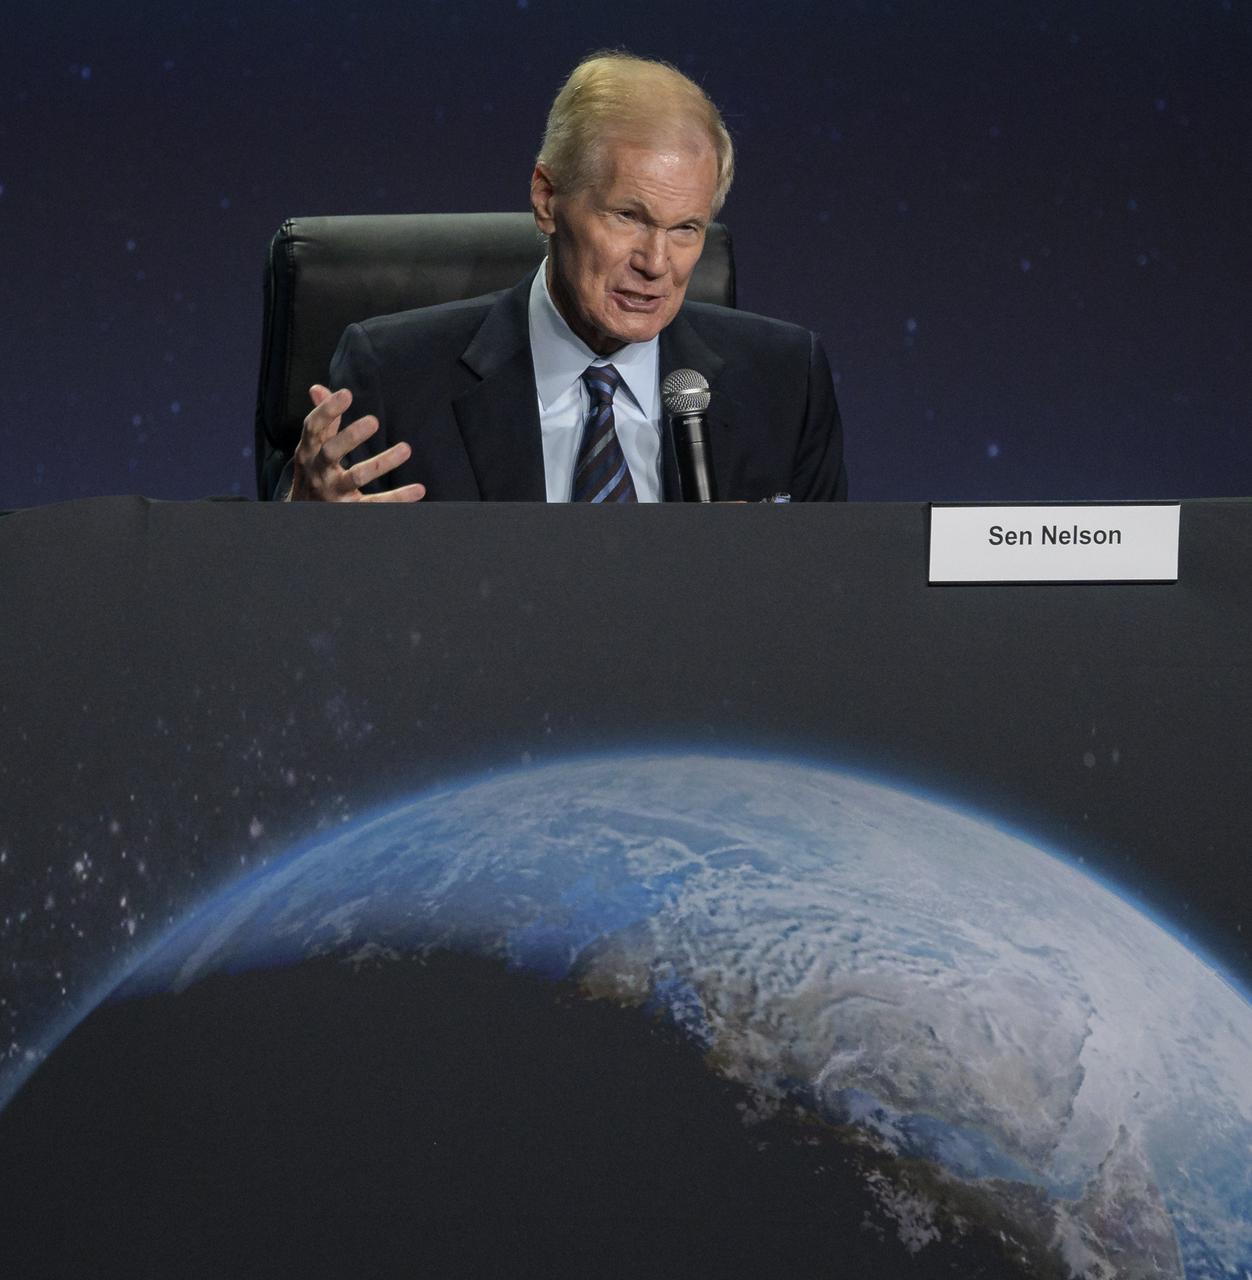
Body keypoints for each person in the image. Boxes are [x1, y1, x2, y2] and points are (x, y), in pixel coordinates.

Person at [285, 52, 846, 503]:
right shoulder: (396, 377)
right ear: (547, 199)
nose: (656, 262)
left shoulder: (785, 382)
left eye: (685, 229)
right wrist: (307, 526)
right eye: (628, 217)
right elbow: (318, 612)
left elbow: (830, 603)